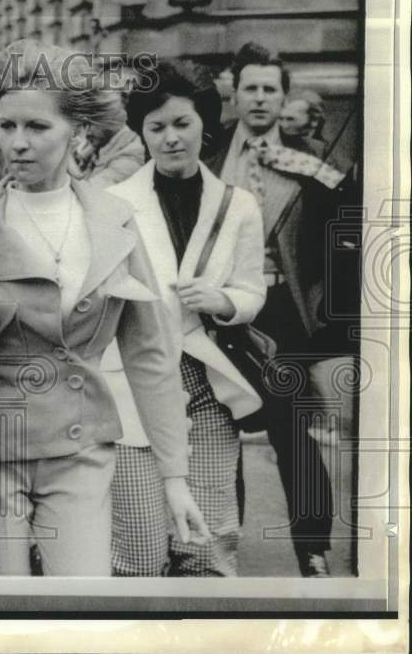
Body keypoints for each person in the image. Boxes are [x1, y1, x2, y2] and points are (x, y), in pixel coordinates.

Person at [0, 40, 209, 576]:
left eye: (37, 128)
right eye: (6, 126)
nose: (17, 143)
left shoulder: (115, 220)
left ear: (80, 133)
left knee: (82, 612)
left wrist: (175, 477)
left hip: (81, 452)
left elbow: (151, 355)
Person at [105, 60, 266, 577]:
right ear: (141, 132)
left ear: (205, 126)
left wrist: (222, 301)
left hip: (206, 382)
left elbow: (251, 290)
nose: (170, 138)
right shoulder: (112, 203)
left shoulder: (237, 205)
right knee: (140, 544)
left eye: (182, 124)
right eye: (156, 127)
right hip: (130, 384)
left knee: (210, 537)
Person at [203, 42, 345, 577]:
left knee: (294, 432)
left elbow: (341, 233)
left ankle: (313, 551)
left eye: (270, 89)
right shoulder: (210, 154)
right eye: (251, 88)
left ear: (283, 98)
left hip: (280, 308)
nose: (260, 98)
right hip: (219, 310)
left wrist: (319, 306)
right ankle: (222, 547)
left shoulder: (310, 161)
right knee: (220, 429)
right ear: (234, 95)